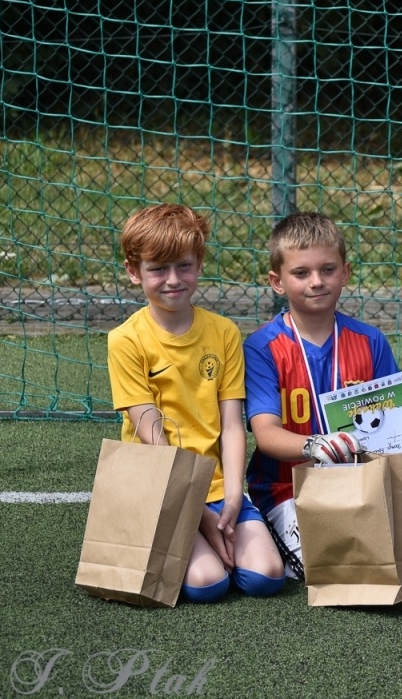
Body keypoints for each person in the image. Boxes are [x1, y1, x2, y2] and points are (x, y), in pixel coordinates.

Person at [105, 203, 285, 603]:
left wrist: (234, 496)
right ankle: (197, 551)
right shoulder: (126, 340)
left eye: (184, 266)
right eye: (157, 269)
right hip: (162, 487)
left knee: (266, 577)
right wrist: (197, 516)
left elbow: (233, 425)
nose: (173, 280)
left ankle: (223, 535)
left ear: (200, 263)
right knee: (207, 583)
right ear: (134, 271)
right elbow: (151, 432)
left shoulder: (222, 333)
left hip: (217, 485)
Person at [243, 212, 402, 581]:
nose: (316, 282)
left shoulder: (370, 340)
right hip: (287, 489)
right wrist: (315, 445)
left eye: (327, 270)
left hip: (358, 482)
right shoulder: (262, 347)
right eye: (301, 273)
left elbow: (395, 427)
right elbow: (265, 434)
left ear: (345, 273)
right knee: (339, 563)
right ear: (277, 282)